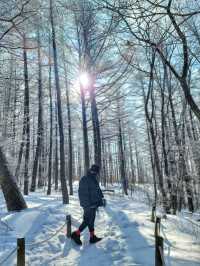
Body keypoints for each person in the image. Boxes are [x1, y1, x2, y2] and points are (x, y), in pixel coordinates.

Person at [71, 164, 106, 245]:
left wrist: (101, 200)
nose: (96, 173)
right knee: (87, 221)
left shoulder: (93, 179)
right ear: (91, 170)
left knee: (91, 221)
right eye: (95, 171)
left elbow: (97, 191)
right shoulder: (85, 179)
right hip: (88, 205)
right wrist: (88, 205)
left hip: (94, 204)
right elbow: (82, 194)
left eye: (97, 172)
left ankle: (92, 237)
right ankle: (76, 234)